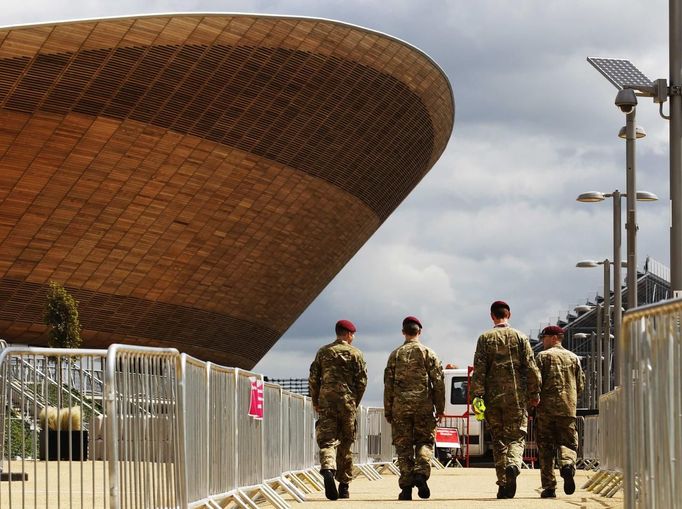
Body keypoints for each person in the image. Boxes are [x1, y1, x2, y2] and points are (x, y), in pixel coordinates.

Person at [471, 300, 541, 499]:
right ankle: (513, 464)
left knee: (499, 440)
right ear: (508, 315)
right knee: (517, 436)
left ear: (492, 316)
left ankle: (503, 484)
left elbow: (479, 369)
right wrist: (534, 394)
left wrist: (477, 396)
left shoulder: (484, 338)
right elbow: (531, 367)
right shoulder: (520, 337)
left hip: (493, 399)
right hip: (516, 398)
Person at [384, 316, 445, 501]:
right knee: (425, 443)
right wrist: (440, 408)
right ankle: (421, 474)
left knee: (403, 448)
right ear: (420, 331)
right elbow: (439, 383)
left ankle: (406, 489)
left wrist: (388, 410)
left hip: (400, 408)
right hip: (423, 407)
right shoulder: (429, 353)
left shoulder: (395, 355)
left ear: (404, 332)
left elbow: (388, 385)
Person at [308, 319, 367, 500]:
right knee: (346, 443)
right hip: (347, 403)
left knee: (327, 442)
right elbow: (362, 382)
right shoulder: (356, 353)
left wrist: (316, 400)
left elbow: (313, 378)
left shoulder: (323, 352)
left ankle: (327, 469)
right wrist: (354, 401)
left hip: (327, 402)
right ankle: (344, 486)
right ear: (348, 334)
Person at [535, 325, 585, 499]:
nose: (542, 341)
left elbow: (535, 382)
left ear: (554, 337)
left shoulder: (542, 357)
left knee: (546, 448)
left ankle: (549, 487)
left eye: (545, 337)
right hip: (567, 409)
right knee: (569, 443)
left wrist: (533, 400)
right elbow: (580, 385)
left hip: (545, 410)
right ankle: (567, 465)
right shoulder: (574, 358)